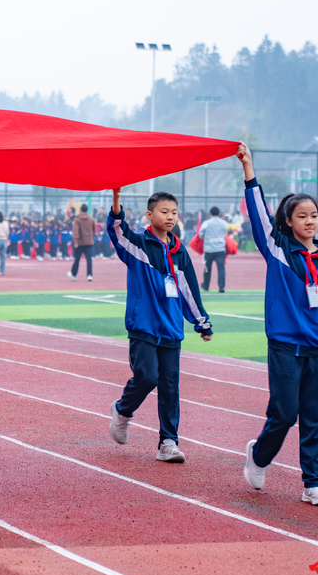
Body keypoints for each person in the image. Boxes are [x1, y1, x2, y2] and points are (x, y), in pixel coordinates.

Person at [237, 144, 318, 507]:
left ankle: (314, 483)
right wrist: (249, 171)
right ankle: (260, 455)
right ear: (288, 222)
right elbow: (259, 216)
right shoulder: (278, 249)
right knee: (284, 413)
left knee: (315, 418)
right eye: (302, 216)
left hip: (317, 348)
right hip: (284, 345)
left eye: (314, 215)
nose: (310, 221)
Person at [106, 189, 213, 464]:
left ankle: (168, 442)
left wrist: (201, 322)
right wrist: (116, 202)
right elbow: (118, 232)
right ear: (150, 215)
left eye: (174, 213)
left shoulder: (180, 252)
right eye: (164, 212)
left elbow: (189, 289)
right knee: (147, 377)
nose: (170, 217)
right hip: (143, 326)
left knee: (169, 386)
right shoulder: (138, 246)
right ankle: (122, 410)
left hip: (172, 328)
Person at [198, 206, 229, 293]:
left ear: (210, 214)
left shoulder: (206, 223)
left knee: (207, 268)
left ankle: (206, 286)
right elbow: (226, 231)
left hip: (209, 250)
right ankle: (221, 286)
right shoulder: (223, 223)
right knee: (221, 268)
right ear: (219, 214)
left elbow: (200, 235)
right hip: (220, 249)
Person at [68, 203, 96, 281]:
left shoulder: (77, 219)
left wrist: (76, 241)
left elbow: (76, 231)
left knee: (77, 259)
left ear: (80, 210)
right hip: (89, 242)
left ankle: (74, 274)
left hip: (80, 242)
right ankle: (89, 275)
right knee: (89, 259)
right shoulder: (91, 219)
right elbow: (94, 230)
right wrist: (91, 237)